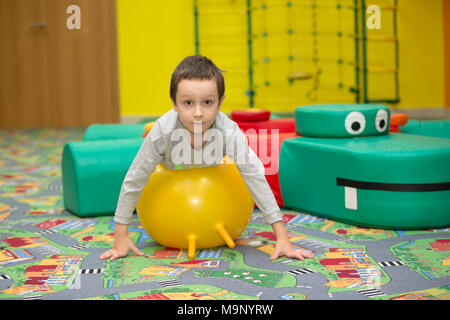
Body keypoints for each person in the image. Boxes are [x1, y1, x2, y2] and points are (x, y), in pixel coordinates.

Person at [100, 55, 314, 262]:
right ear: (174, 102)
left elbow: (255, 178)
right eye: (188, 103)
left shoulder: (228, 131)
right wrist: (121, 234)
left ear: (221, 102)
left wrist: (282, 237)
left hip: (216, 171)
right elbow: (134, 178)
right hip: (169, 173)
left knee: (256, 167)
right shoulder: (162, 132)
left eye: (207, 102)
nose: (198, 113)